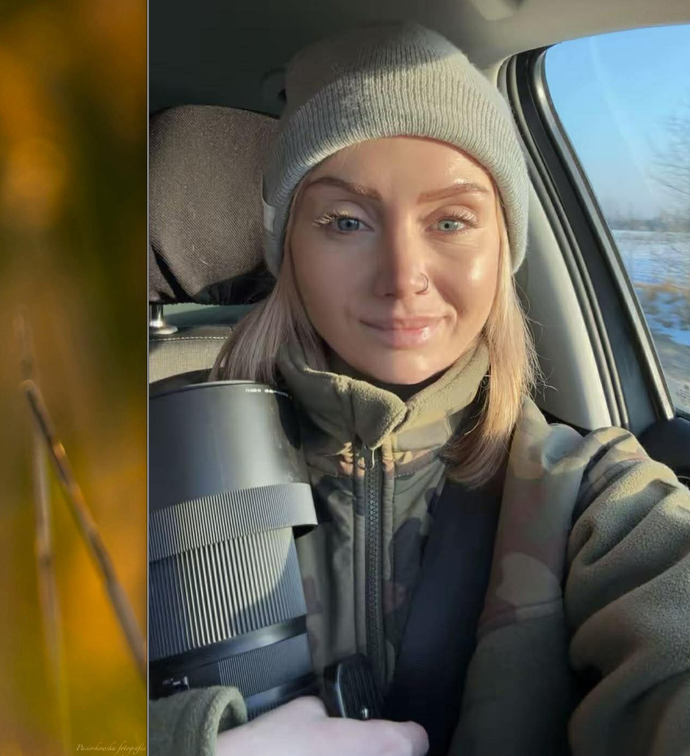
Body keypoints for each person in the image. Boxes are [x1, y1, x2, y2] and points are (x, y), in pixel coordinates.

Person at [148, 21, 690, 756]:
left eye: (452, 220)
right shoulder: (137, 460)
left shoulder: (593, 494)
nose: (403, 276)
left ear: (502, 247)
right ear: (288, 249)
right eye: (346, 221)